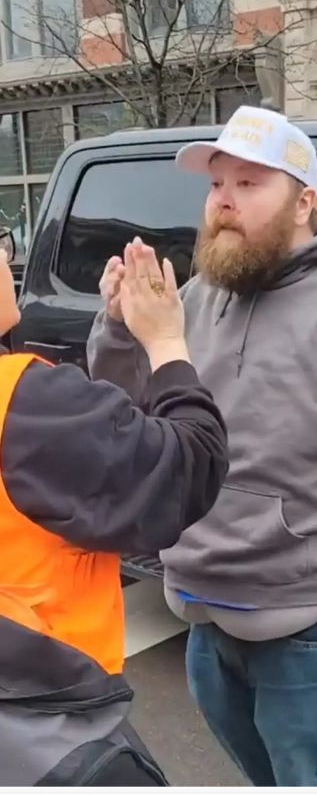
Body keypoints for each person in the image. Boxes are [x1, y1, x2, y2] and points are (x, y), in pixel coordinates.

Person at [87, 105, 317, 788]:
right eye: (216, 184)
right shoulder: (198, 298)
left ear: (304, 203)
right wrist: (118, 328)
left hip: (307, 618)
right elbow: (128, 411)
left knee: (304, 774)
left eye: (250, 183)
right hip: (200, 602)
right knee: (263, 772)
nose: (224, 199)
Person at [0, 230, 228, 787]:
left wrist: (120, 335)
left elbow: (86, 458)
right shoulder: (23, 403)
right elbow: (188, 464)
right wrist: (168, 344)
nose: (7, 257)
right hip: (40, 713)